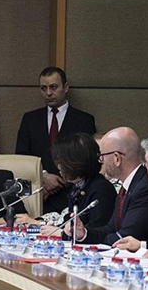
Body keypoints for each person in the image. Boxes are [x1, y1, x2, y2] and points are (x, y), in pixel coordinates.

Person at [15, 67, 96, 213]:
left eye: (53, 87)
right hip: (39, 196)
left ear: (66, 87)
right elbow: (21, 157)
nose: (48, 93)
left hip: (72, 197)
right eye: (43, 88)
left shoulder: (84, 120)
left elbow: (87, 160)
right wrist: (43, 176)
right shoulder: (30, 119)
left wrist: (58, 182)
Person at [62, 127, 148, 245]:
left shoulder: (146, 188)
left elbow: (124, 237)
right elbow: (111, 229)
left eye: (102, 155)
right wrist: (83, 234)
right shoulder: (128, 186)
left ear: (116, 158)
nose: (100, 161)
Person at [17, 133, 116, 231]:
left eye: (62, 162)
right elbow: (69, 223)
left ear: (76, 162)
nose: (58, 166)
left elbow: (97, 230)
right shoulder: (79, 186)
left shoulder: (101, 189)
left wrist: (61, 233)